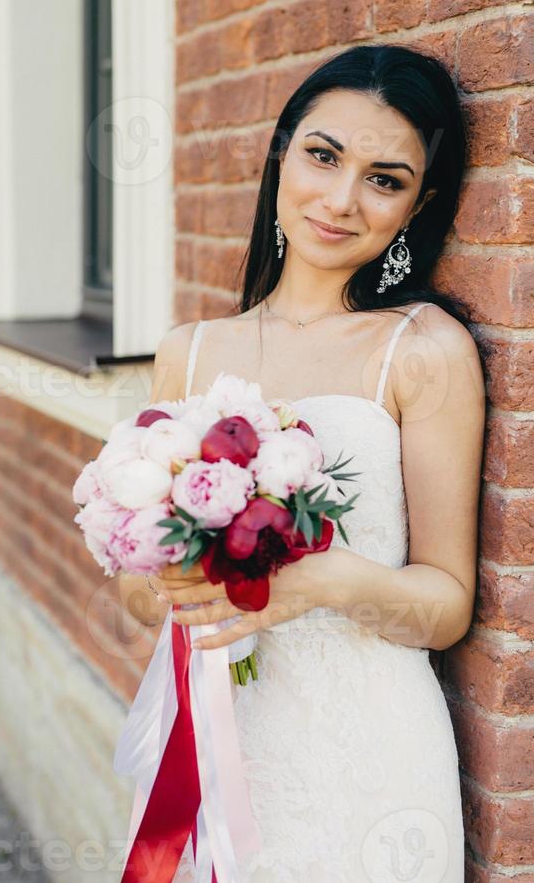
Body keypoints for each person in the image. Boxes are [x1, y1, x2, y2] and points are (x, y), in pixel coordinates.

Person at [118, 43, 486, 882]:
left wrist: (324, 582)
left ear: (415, 206)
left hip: (366, 756)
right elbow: (140, 588)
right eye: (323, 157)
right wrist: (166, 582)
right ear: (283, 154)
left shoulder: (422, 351)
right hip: (218, 736)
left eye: (384, 180)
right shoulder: (188, 351)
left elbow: (446, 604)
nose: (342, 200)